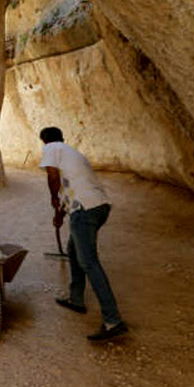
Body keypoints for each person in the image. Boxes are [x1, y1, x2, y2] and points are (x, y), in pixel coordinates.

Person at [39, 126, 128, 341]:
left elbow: (52, 176)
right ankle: (76, 298)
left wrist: (52, 199)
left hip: (84, 211)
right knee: (73, 248)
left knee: (89, 262)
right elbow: (67, 188)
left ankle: (112, 320)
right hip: (99, 206)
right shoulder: (72, 155)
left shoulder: (52, 147)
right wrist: (60, 213)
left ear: (45, 141)